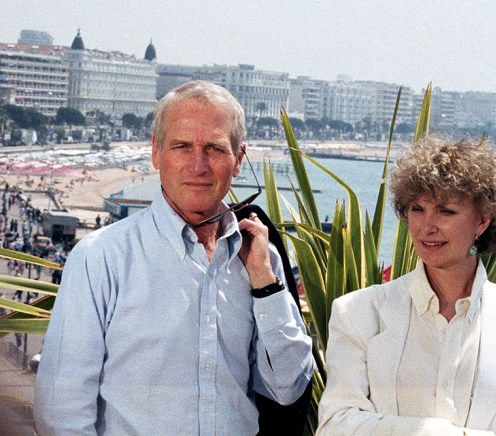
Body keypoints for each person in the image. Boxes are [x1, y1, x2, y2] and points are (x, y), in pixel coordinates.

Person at [34, 80, 314, 435]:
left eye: (214, 148)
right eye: (182, 146)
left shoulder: (260, 259)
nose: (198, 165)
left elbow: (288, 388)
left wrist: (265, 284)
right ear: (155, 153)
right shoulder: (102, 257)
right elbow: (62, 410)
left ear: (239, 159)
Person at [317, 136, 496, 435]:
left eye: (446, 211)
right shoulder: (359, 312)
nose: (426, 227)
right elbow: (335, 425)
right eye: (417, 209)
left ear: (482, 222)